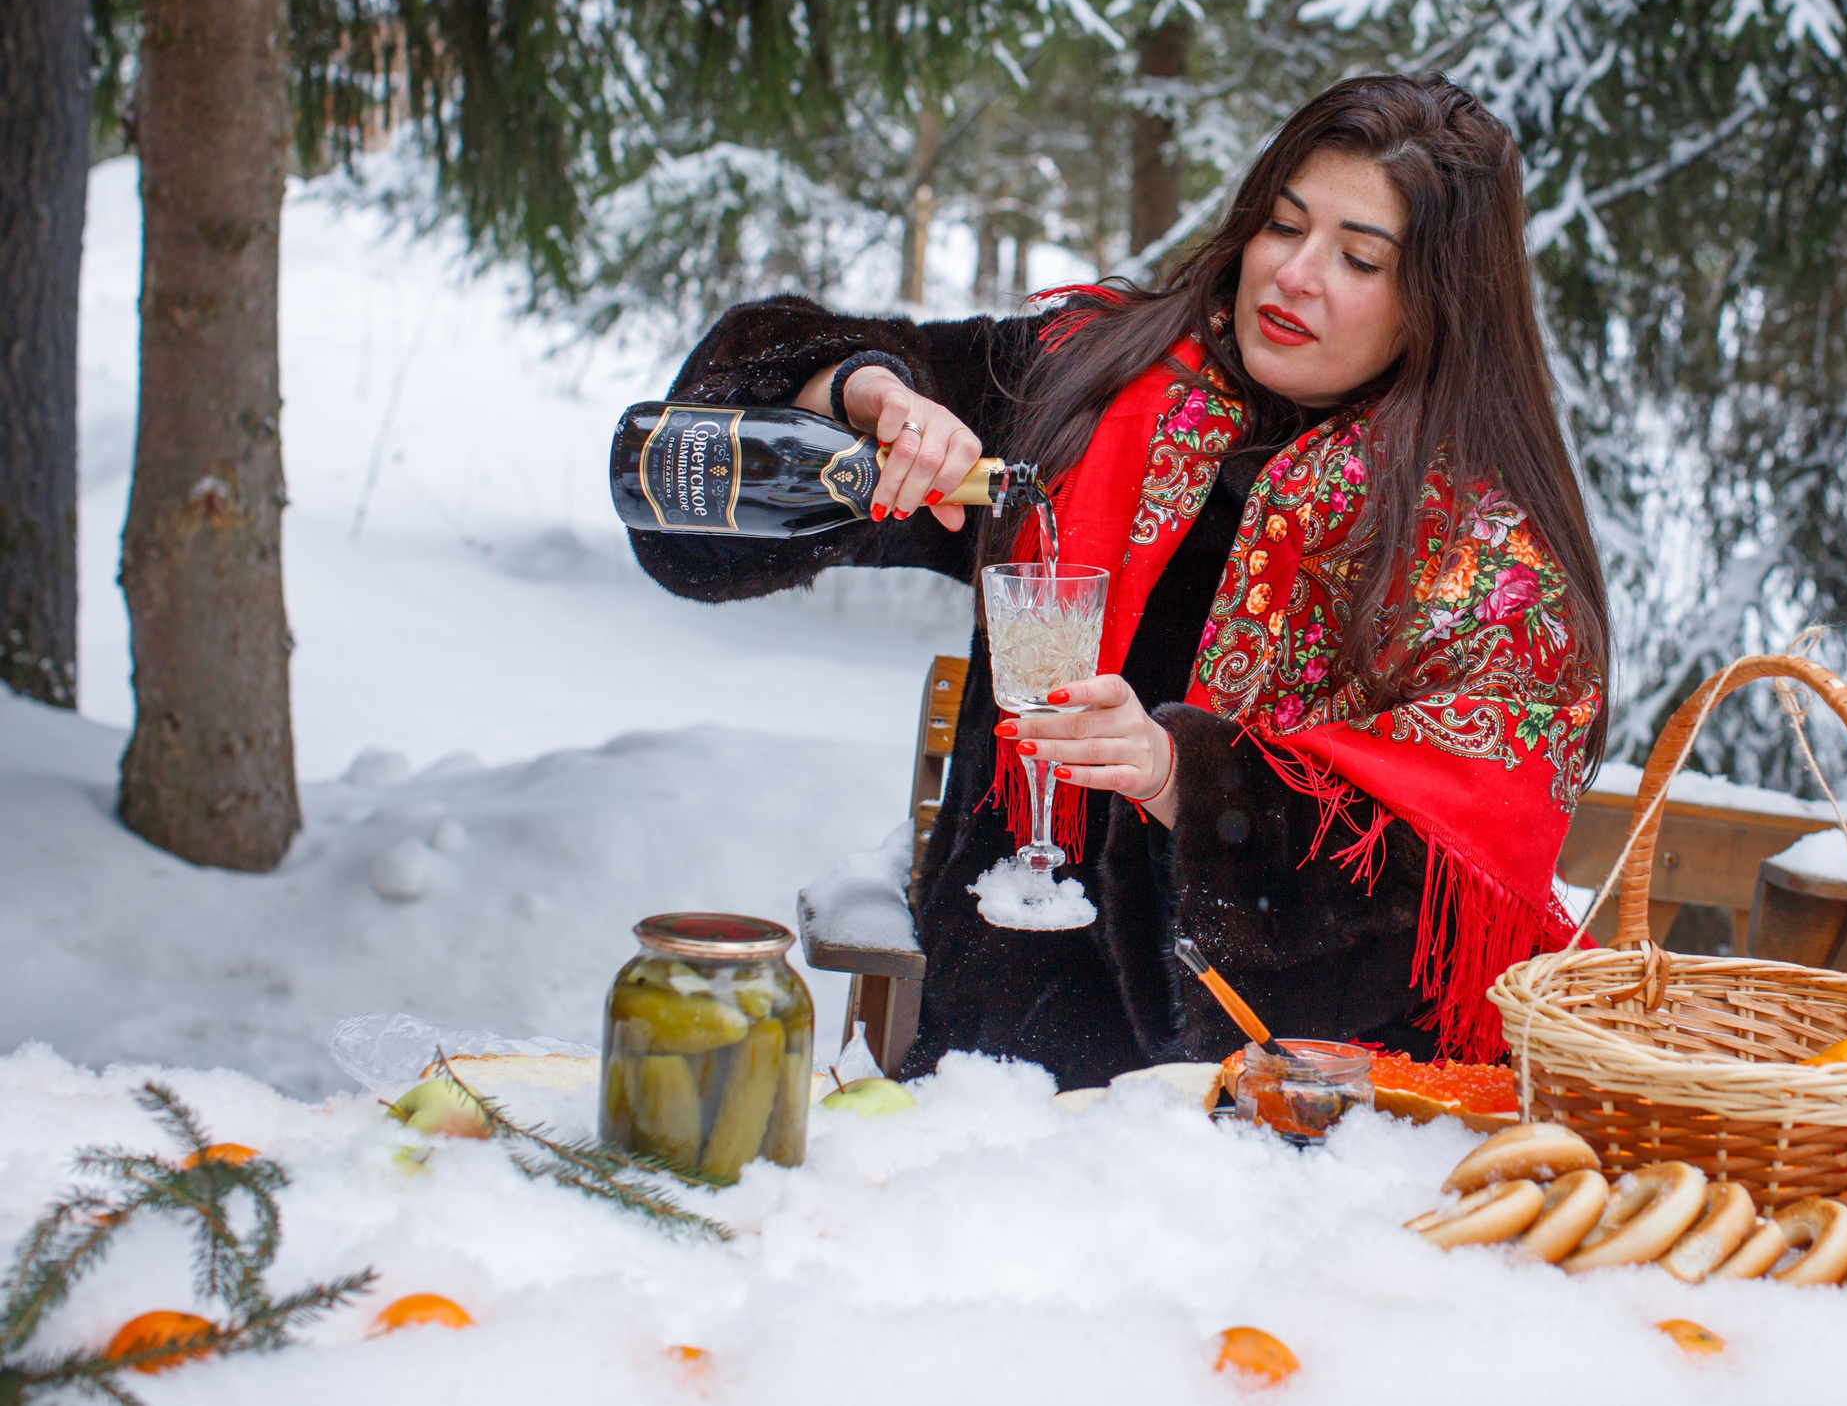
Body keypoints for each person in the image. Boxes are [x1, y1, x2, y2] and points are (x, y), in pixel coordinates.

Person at [628, 74, 1609, 1090]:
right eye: (1282, 225)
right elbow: (692, 504)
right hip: (990, 1079)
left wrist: (1185, 776)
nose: (1294, 274)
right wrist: (855, 391)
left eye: (1359, 257)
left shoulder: (1484, 562)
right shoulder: (1091, 383)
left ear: (1440, 302)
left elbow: (1433, 920)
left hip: (1273, 1126)